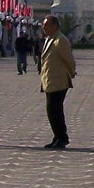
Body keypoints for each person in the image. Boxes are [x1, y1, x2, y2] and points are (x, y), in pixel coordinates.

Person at [38, 16, 76, 149]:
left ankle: (62, 137)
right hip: (50, 80)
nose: (44, 28)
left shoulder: (60, 41)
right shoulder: (50, 39)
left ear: (55, 26)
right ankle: (58, 136)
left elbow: (69, 59)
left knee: (54, 109)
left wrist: (71, 73)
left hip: (58, 81)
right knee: (52, 110)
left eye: (47, 25)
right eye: (44, 25)